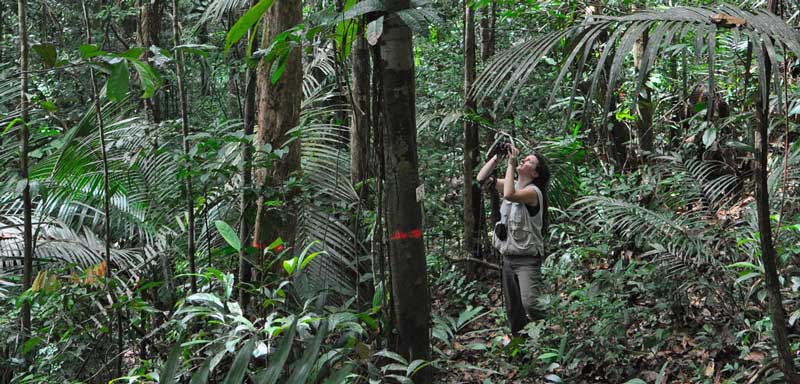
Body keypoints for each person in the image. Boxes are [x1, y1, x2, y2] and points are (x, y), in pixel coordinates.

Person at [477, 141, 550, 337]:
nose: (523, 160)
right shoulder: (515, 185)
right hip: (508, 259)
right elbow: (481, 178)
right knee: (514, 310)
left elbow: (510, 194)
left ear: (535, 173)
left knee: (531, 304)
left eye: (528, 161)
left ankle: (552, 334)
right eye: (524, 158)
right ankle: (523, 347)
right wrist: (498, 157)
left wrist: (511, 164)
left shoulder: (533, 192)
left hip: (527, 260)